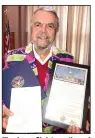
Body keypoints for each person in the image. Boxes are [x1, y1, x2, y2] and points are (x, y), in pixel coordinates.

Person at [2, 6, 90, 134]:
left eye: (50, 26)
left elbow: (73, 95)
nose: (43, 30)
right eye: (38, 24)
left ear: (56, 30)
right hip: (22, 132)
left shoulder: (67, 58)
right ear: (31, 27)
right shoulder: (11, 58)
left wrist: (78, 118)